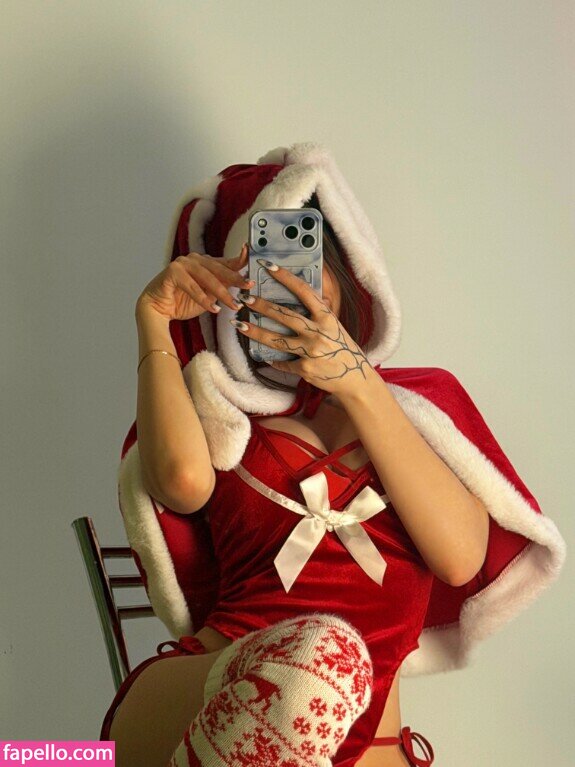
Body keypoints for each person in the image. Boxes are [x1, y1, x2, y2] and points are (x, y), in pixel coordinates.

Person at [100, 143, 566, 767]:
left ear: (346, 270)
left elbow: (461, 559)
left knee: (326, 666)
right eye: (258, 262)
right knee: (316, 661)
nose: (282, 279)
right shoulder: (218, 409)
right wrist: (154, 320)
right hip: (201, 699)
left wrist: (359, 384)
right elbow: (179, 482)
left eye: (301, 257)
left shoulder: (420, 411)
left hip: (363, 744)